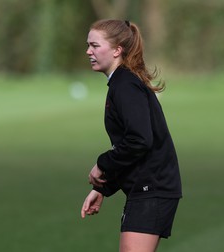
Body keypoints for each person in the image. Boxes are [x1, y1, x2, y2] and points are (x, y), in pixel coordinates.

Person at [80, 19, 182, 252]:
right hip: (148, 188)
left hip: (152, 189)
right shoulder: (122, 82)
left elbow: (139, 140)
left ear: (117, 50)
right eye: (88, 45)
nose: (88, 51)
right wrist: (103, 187)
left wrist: (102, 164)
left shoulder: (125, 85)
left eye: (95, 45)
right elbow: (132, 147)